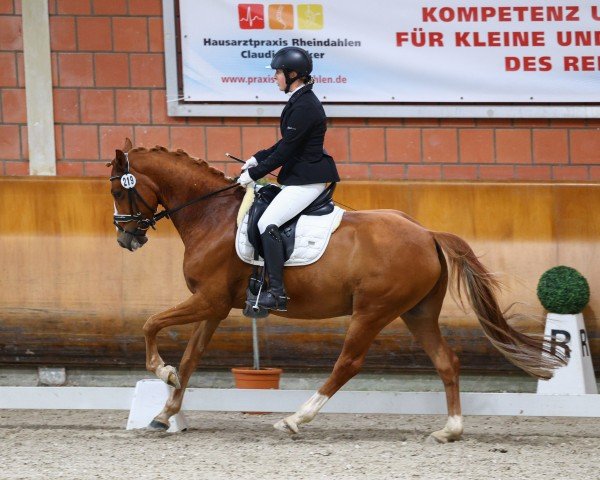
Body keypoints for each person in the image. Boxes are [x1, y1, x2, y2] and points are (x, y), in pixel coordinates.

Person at [237, 46, 340, 312]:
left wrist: (253, 175)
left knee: (267, 222)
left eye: (278, 73)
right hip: (299, 176)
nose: (275, 78)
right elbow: (286, 143)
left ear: (293, 74)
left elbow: (287, 150)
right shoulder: (300, 99)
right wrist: (257, 158)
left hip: (307, 180)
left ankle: (277, 293)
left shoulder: (305, 105)